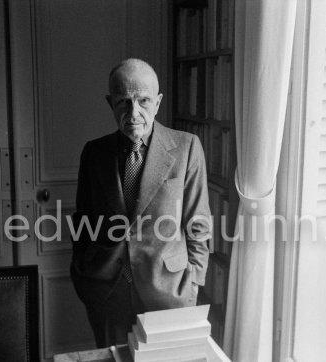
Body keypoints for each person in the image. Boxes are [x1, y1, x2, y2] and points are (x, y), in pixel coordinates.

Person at [70, 58, 211, 347]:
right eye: (123, 102)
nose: (133, 113)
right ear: (111, 103)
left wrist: (193, 283)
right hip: (106, 289)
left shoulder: (187, 147)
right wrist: (83, 274)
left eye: (143, 101)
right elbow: (82, 220)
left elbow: (199, 223)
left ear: (157, 103)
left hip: (169, 290)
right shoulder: (94, 153)